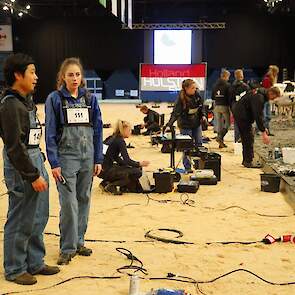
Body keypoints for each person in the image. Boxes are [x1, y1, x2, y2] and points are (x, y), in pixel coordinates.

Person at [0, 53, 60, 285]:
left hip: (36, 159)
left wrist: (40, 163)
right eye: (32, 72)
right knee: (20, 218)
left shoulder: (27, 101)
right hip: (22, 166)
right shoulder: (10, 105)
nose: (36, 77)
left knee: (38, 216)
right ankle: (15, 268)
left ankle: (35, 261)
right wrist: (32, 174)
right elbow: (15, 148)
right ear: (17, 75)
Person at [45, 57, 103, 265]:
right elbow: (50, 132)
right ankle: (66, 248)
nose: (75, 78)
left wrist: (98, 158)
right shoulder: (54, 99)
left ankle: (79, 241)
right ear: (63, 77)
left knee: (84, 200)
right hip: (66, 158)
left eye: (77, 74)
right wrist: (54, 162)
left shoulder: (90, 99)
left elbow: (98, 129)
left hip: (87, 157)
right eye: (70, 74)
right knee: (69, 204)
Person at [232, 87, 281, 168]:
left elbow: (258, 114)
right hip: (242, 115)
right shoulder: (259, 98)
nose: (273, 100)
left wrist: (263, 127)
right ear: (271, 93)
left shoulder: (259, 93)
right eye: (274, 97)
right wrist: (263, 132)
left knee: (246, 137)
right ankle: (248, 161)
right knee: (248, 138)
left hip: (240, 112)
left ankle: (246, 160)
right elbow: (258, 115)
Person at [165, 79, 207, 173]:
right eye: (192, 88)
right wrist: (169, 125)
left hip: (196, 123)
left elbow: (202, 107)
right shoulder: (180, 99)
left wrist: (203, 115)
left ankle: (198, 165)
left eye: (195, 87)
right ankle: (187, 167)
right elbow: (175, 114)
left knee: (199, 144)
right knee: (187, 146)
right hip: (185, 125)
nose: (194, 89)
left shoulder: (198, 95)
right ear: (186, 89)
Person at [99, 120, 150, 195]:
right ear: (124, 130)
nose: (130, 132)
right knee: (137, 172)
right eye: (129, 130)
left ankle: (105, 182)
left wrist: (127, 165)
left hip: (100, 170)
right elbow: (127, 160)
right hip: (107, 170)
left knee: (128, 168)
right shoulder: (120, 141)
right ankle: (112, 186)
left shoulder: (111, 137)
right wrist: (139, 164)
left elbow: (116, 157)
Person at [212, 70, 231, 148]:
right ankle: (220, 137)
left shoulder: (215, 85)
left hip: (216, 106)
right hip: (224, 106)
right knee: (227, 124)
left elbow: (212, 97)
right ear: (225, 76)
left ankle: (221, 142)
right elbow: (229, 97)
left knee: (219, 125)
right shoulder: (227, 85)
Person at [230, 69, 250, 142]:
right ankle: (243, 140)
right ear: (242, 76)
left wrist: (231, 107)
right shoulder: (246, 86)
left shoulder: (232, 86)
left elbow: (230, 98)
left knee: (236, 124)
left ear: (235, 76)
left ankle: (236, 140)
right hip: (243, 107)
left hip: (235, 106)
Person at [261, 65, 279, 135]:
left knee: (268, 116)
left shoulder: (269, 79)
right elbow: (266, 91)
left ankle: (267, 131)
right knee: (264, 116)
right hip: (264, 100)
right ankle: (261, 130)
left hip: (267, 100)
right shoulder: (267, 79)